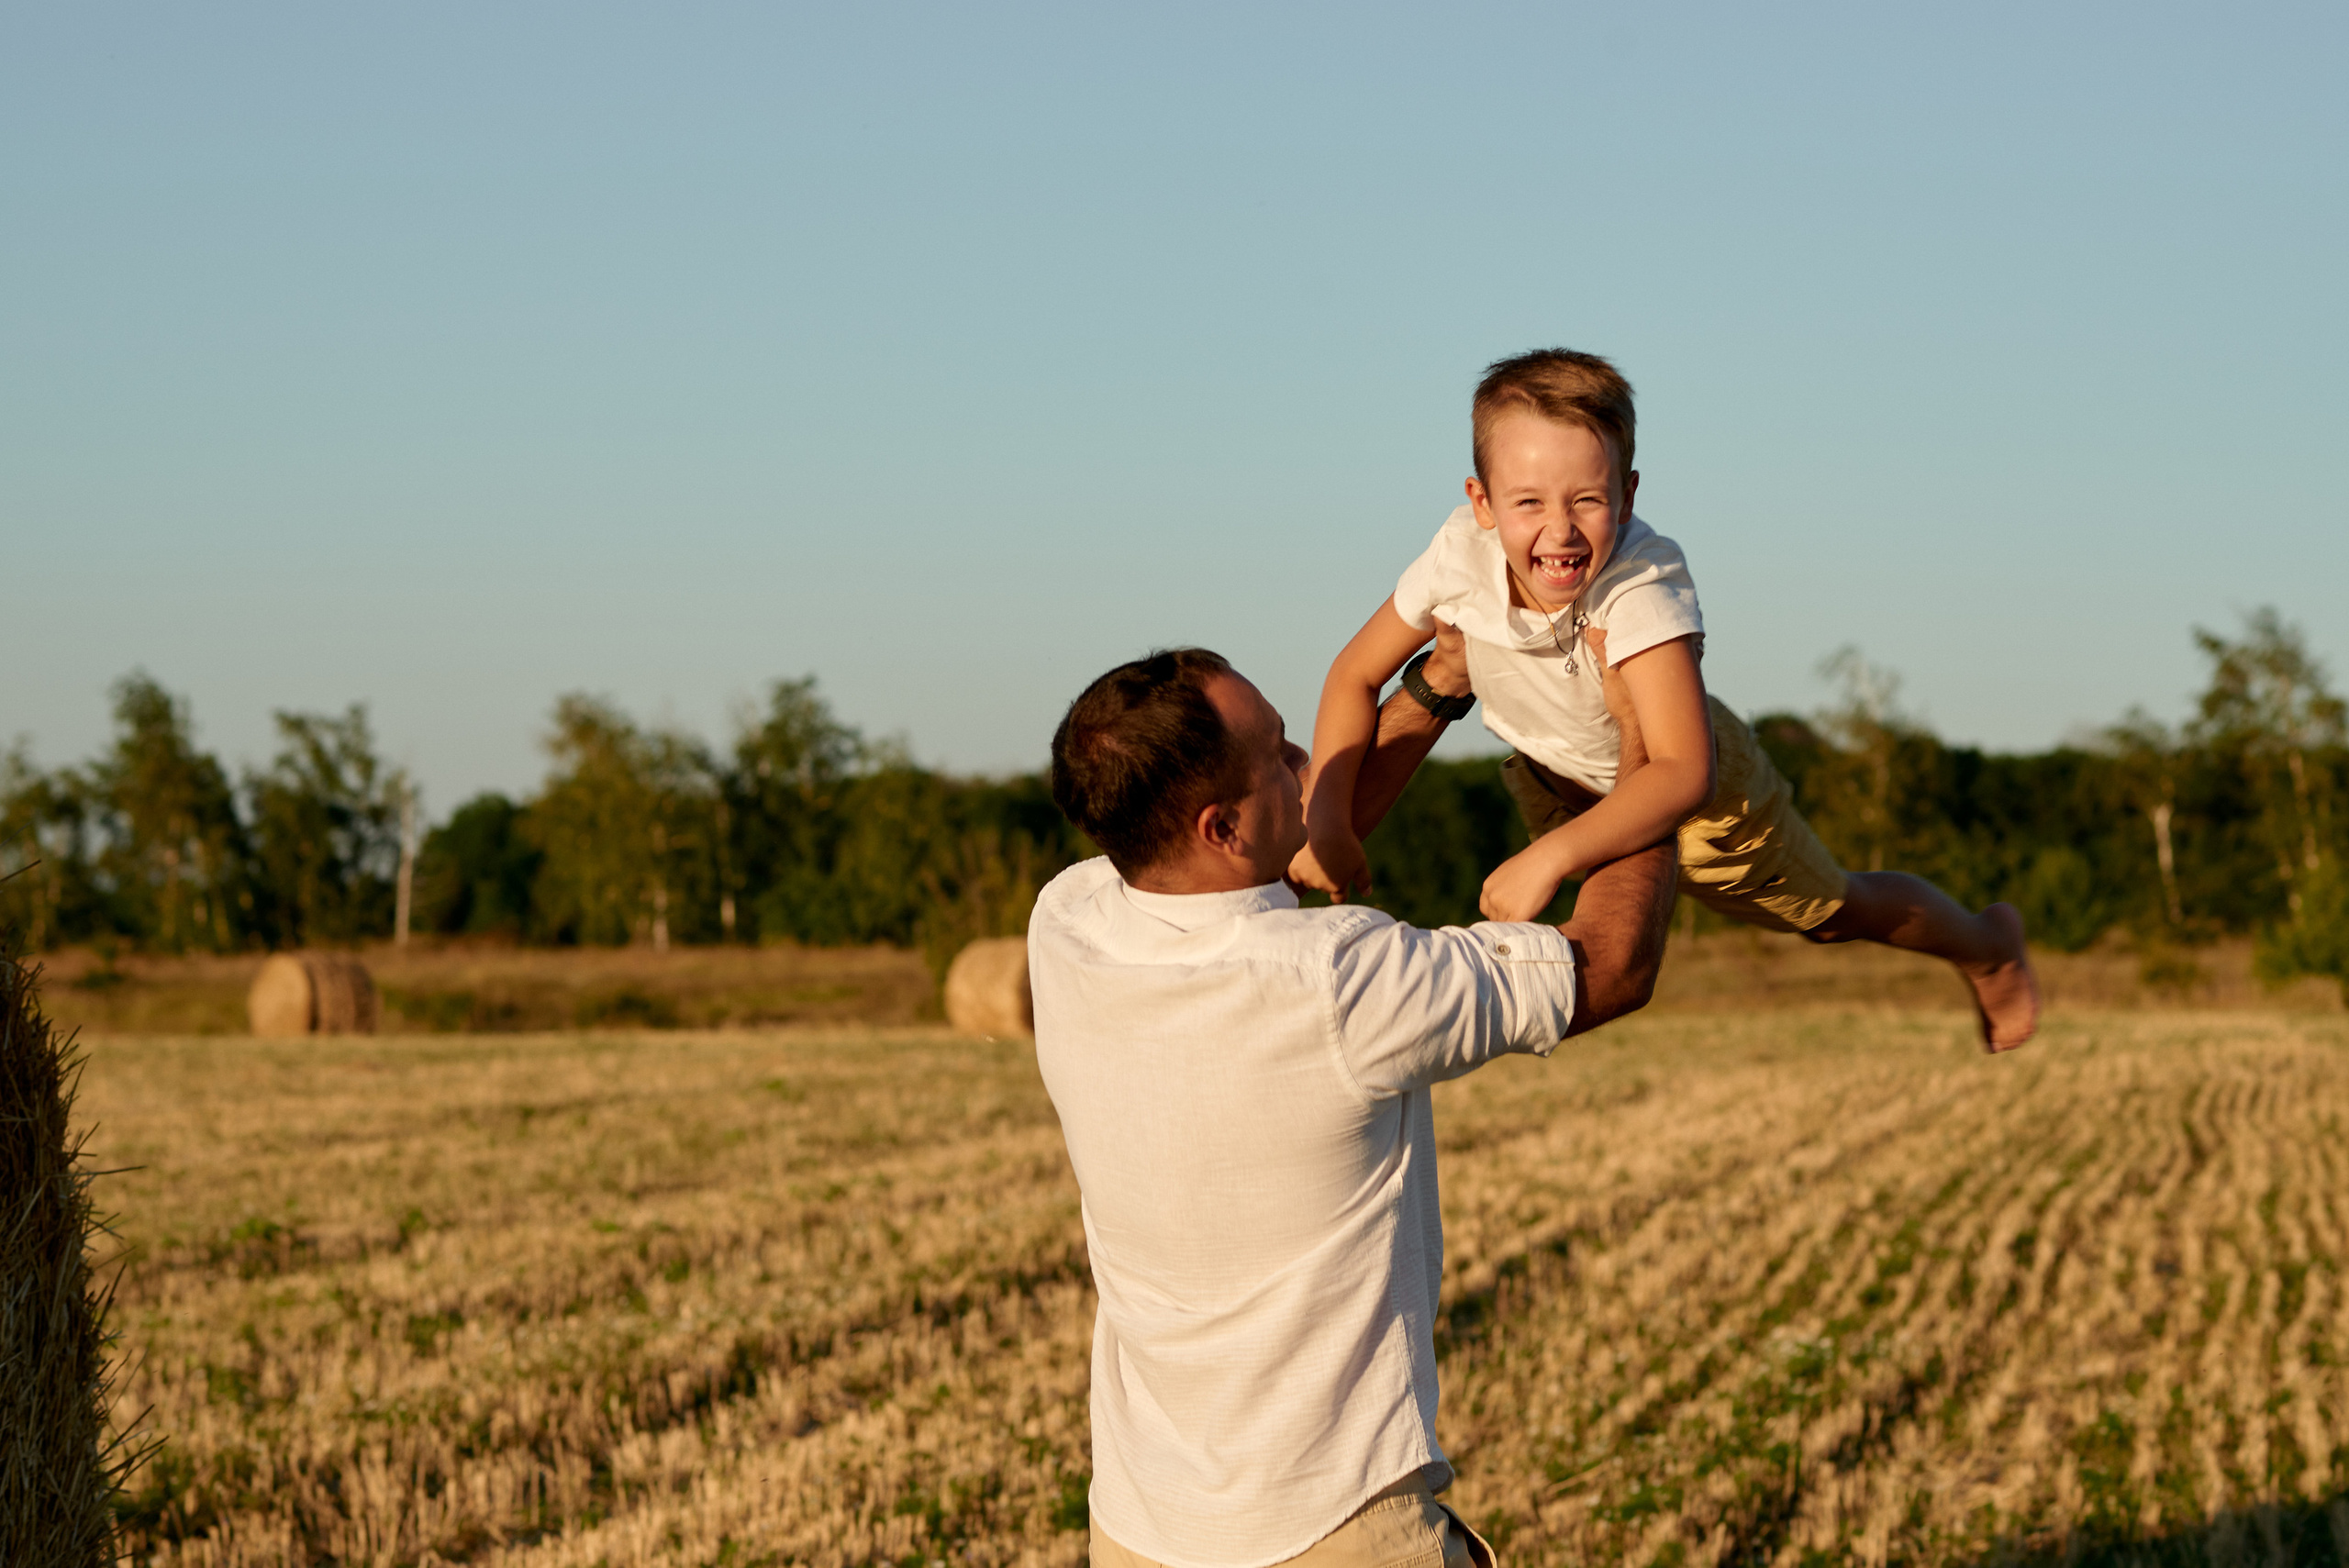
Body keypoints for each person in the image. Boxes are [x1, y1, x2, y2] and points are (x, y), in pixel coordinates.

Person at [1030, 628, 1678, 1567]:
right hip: (1335, 1530)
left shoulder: (1069, 920)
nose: (1309, 762)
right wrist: (1637, 764)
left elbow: (1289, 847)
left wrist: (1435, 687)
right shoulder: (1339, 982)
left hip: (1142, 1523)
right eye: (1280, 753)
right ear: (1218, 826)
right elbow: (1611, 965)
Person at [1292, 348, 2040, 1051]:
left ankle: (1987, 947)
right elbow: (1353, 674)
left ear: (1629, 493)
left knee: (1833, 913)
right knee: (1582, 950)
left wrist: (1549, 856)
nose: (1559, 530)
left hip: (1706, 800)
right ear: (1481, 502)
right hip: (1555, 774)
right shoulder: (1459, 553)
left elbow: (1684, 772)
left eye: (1588, 499)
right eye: (1528, 502)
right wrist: (1326, 819)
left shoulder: (1641, 586)